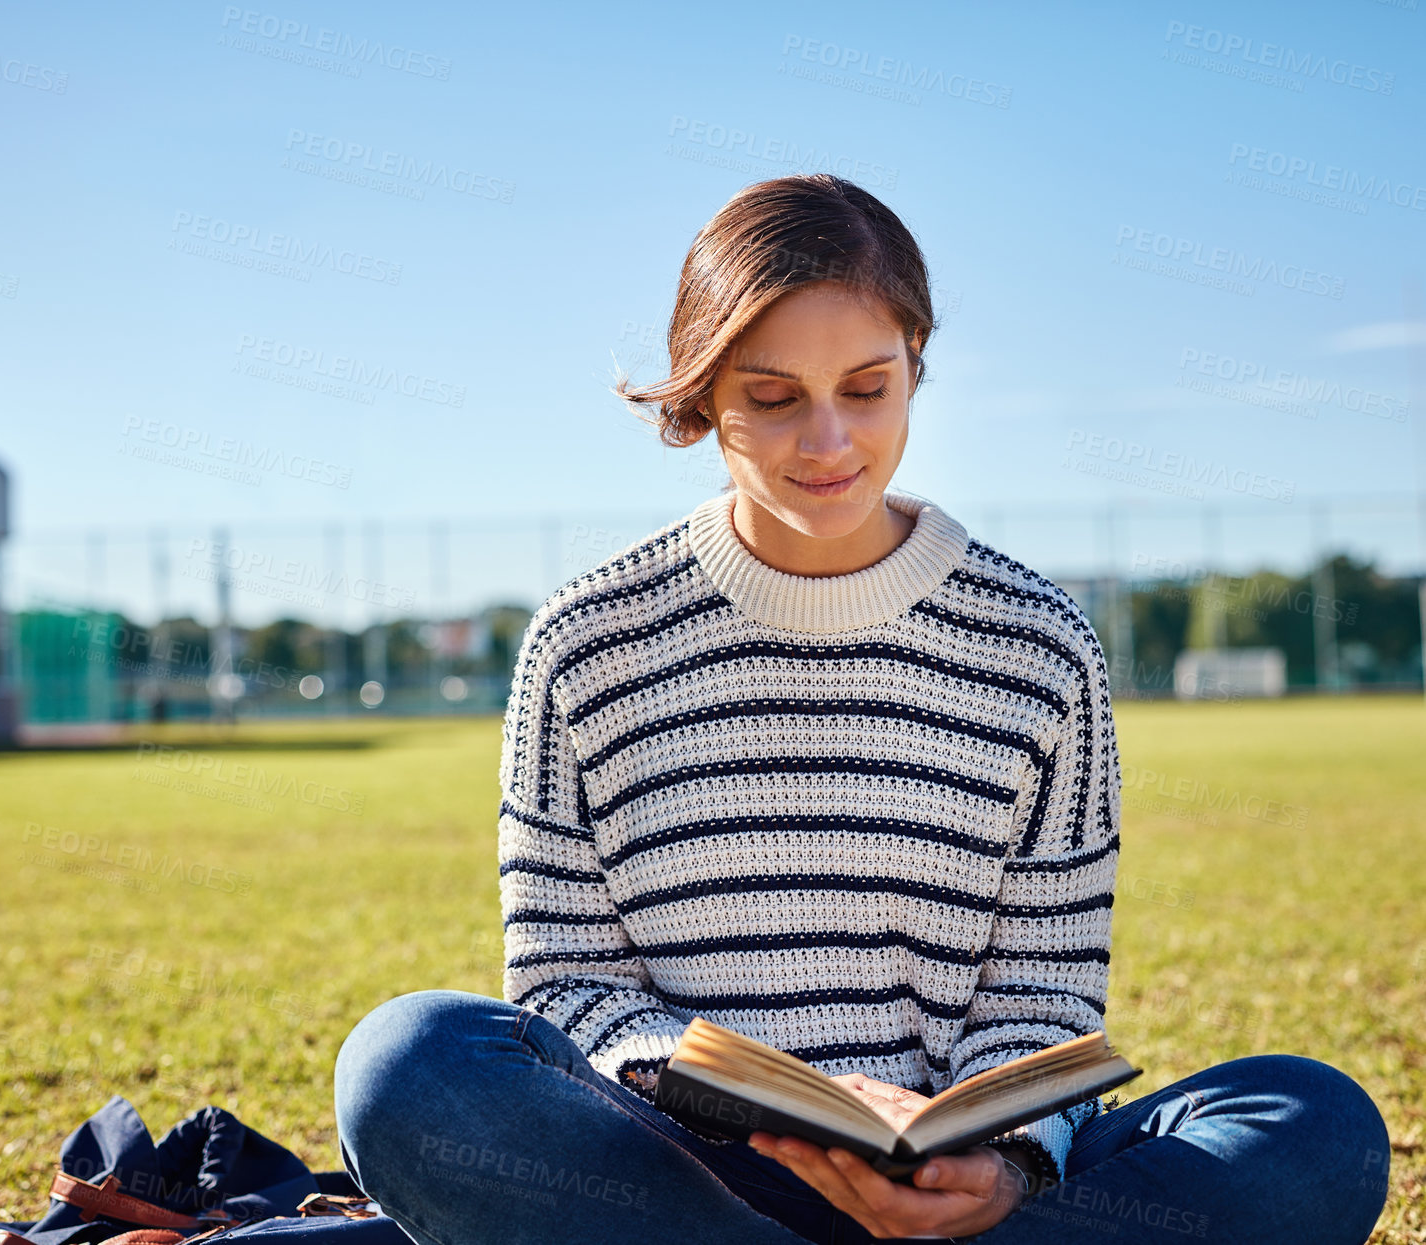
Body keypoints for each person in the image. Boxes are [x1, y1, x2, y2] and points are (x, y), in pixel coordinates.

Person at [333, 174, 1391, 1243]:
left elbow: (1043, 1000)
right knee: (410, 1061)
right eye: (775, 396)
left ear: (916, 365)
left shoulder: (1041, 645)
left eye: (869, 388)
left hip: (959, 1196)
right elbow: (566, 988)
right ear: (703, 400)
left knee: (1312, 1121)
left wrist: (1004, 1165)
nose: (829, 441)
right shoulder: (585, 642)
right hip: (682, 1180)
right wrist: (755, 1101)